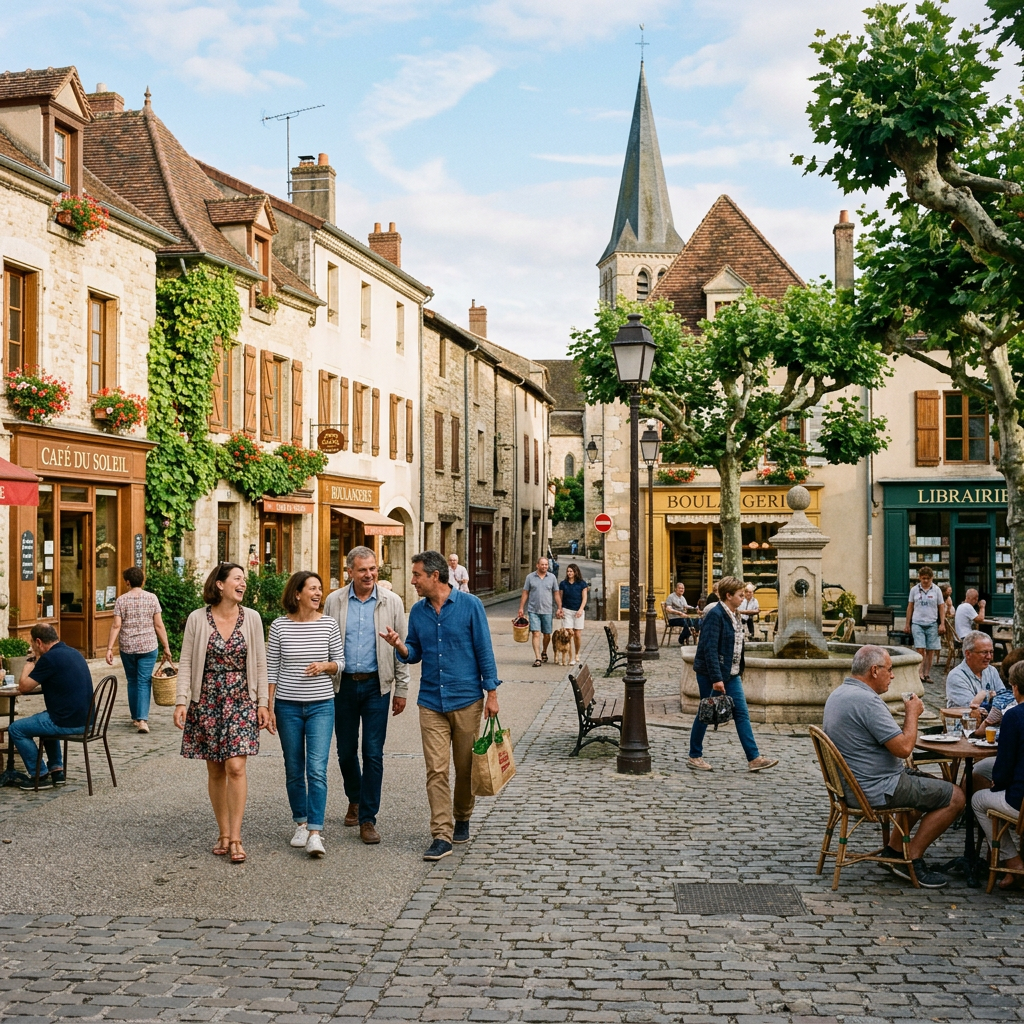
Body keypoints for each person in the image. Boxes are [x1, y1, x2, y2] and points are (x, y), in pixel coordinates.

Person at [380, 550, 500, 862]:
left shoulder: (470, 606)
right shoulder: (418, 612)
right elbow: (414, 652)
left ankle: (463, 816)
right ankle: (441, 835)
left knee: (465, 767)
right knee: (436, 769)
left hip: (466, 700)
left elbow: (484, 650)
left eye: (417, 575)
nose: (413, 581)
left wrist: (492, 694)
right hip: (431, 701)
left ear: (435, 576)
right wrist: (400, 646)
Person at [822, 644, 965, 888]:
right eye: (889, 669)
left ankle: (895, 850)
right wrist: (912, 713)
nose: (893, 675)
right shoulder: (866, 701)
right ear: (874, 671)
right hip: (875, 788)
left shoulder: (841, 693)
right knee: (956, 797)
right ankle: (911, 858)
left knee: (931, 783)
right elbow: (904, 748)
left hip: (855, 784)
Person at [174, 563, 271, 865]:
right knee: (216, 769)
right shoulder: (197, 618)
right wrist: (181, 700)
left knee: (236, 767)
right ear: (220, 584)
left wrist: (263, 702)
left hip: (241, 698)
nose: (243, 584)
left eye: (244, 579)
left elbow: (260, 662)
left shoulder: (252, 618)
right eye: (237, 579)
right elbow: (186, 661)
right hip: (207, 699)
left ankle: (237, 837)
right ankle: (223, 832)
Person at [323, 545, 409, 846]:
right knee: (345, 751)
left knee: (373, 752)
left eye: (373, 569)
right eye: (362, 570)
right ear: (350, 572)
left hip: (376, 686)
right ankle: (355, 797)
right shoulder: (334, 601)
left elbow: (401, 647)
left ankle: (368, 818)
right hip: (343, 686)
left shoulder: (392, 601)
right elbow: (325, 643)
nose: (369, 574)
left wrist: (401, 689)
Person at [268, 571, 343, 859]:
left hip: (321, 705)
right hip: (287, 706)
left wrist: (324, 666)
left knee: (317, 768)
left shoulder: (328, 624)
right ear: (297, 593)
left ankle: (315, 832)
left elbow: (341, 662)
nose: (318, 593)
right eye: (312, 588)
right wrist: (269, 707)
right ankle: (300, 822)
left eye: (320, 589)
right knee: (293, 767)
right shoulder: (279, 626)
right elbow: (271, 669)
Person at [688, 576, 777, 774]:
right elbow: (709, 648)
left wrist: (738, 669)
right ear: (728, 596)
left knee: (741, 713)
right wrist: (716, 679)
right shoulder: (715, 614)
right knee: (706, 713)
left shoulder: (735, 614)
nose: (743, 598)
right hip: (712, 675)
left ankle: (754, 758)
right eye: (740, 595)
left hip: (731, 673)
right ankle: (694, 755)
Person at [9, 624, 93, 789]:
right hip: (87, 720)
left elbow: (24, 687)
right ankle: (57, 771)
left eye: (32, 644)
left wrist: (29, 664)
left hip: (67, 722)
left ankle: (39, 775)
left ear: (39, 642)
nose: (32, 648)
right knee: (45, 719)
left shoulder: (49, 658)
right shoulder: (74, 652)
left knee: (16, 729)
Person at [972, 661, 1024, 888]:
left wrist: (998, 784)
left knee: (978, 800)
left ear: (1015, 688)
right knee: (981, 769)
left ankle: (1012, 861)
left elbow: (1004, 765)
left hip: (1020, 801)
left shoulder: (1014, 715)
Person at [105, 566, 173, 733]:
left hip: (128, 647)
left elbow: (116, 625)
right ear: (142, 581)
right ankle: (143, 720)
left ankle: (136, 717)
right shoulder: (152, 598)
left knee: (132, 680)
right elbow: (158, 625)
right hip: (148, 646)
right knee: (144, 681)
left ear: (127, 582)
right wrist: (166, 646)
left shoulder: (121, 600)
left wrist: (109, 648)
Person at [517, 556, 562, 667]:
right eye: (542, 564)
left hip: (547, 610)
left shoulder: (552, 577)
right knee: (536, 633)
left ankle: (544, 651)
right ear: (537, 565)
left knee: (547, 634)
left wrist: (559, 607)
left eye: (546, 565)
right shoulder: (530, 577)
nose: (544, 566)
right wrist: (521, 608)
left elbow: (556, 593)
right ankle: (538, 658)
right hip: (533, 610)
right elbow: (525, 592)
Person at [946, 630, 1005, 709]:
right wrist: (988, 695)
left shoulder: (992, 671)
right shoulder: (956, 676)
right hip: (965, 716)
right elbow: (972, 707)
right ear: (968, 654)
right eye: (984, 652)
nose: (989, 657)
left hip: (991, 715)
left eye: (991, 652)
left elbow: (1004, 698)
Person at [906, 566, 945, 683]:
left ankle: (927, 673)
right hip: (917, 622)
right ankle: (920, 673)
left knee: (930, 650)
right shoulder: (914, 590)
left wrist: (942, 623)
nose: (926, 581)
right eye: (923, 578)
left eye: (928, 578)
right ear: (919, 578)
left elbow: (941, 607)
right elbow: (910, 607)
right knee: (920, 649)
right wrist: (907, 624)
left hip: (932, 623)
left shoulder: (937, 590)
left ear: (932, 578)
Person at [558, 563, 589, 661]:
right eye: (568, 571)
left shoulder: (582, 584)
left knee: (577, 634)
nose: (569, 573)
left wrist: (581, 609)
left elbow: (584, 598)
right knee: (568, 634)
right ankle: (570, 655)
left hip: (578, 611)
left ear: (575, 572)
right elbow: (560, 598)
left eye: (571, 571)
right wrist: (560, 609)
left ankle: (576, 653)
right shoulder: (563, 584)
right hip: (567, 610)